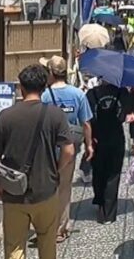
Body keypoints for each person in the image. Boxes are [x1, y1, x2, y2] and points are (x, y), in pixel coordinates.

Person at [0, 64, 74, 259]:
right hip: (46, 189)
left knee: (15, 247)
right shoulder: (55, 115)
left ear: (21, 87)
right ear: (44, 87)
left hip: (14, 192)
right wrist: (56, 170)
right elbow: (68, 150)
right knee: (47, 243)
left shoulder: (5, 117)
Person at [38, 56, 93, 243]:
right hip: (70, 147)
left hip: (47, 147)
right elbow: (85, 123)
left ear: (51, 73)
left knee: (48, 188)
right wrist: (89, 145)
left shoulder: (44, 96)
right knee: (64, 187)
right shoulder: (78, 94)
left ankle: (46, 226)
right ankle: (61, 228)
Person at [85, 77, 129, 224]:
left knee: (98, 172)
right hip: (116, 139)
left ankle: (99, 202)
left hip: (97, 139)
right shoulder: (122, 92)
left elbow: (88, 119)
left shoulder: (91, 94)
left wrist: (88, 141)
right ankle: (109, 214)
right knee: (113, 174)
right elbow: (125, 116)